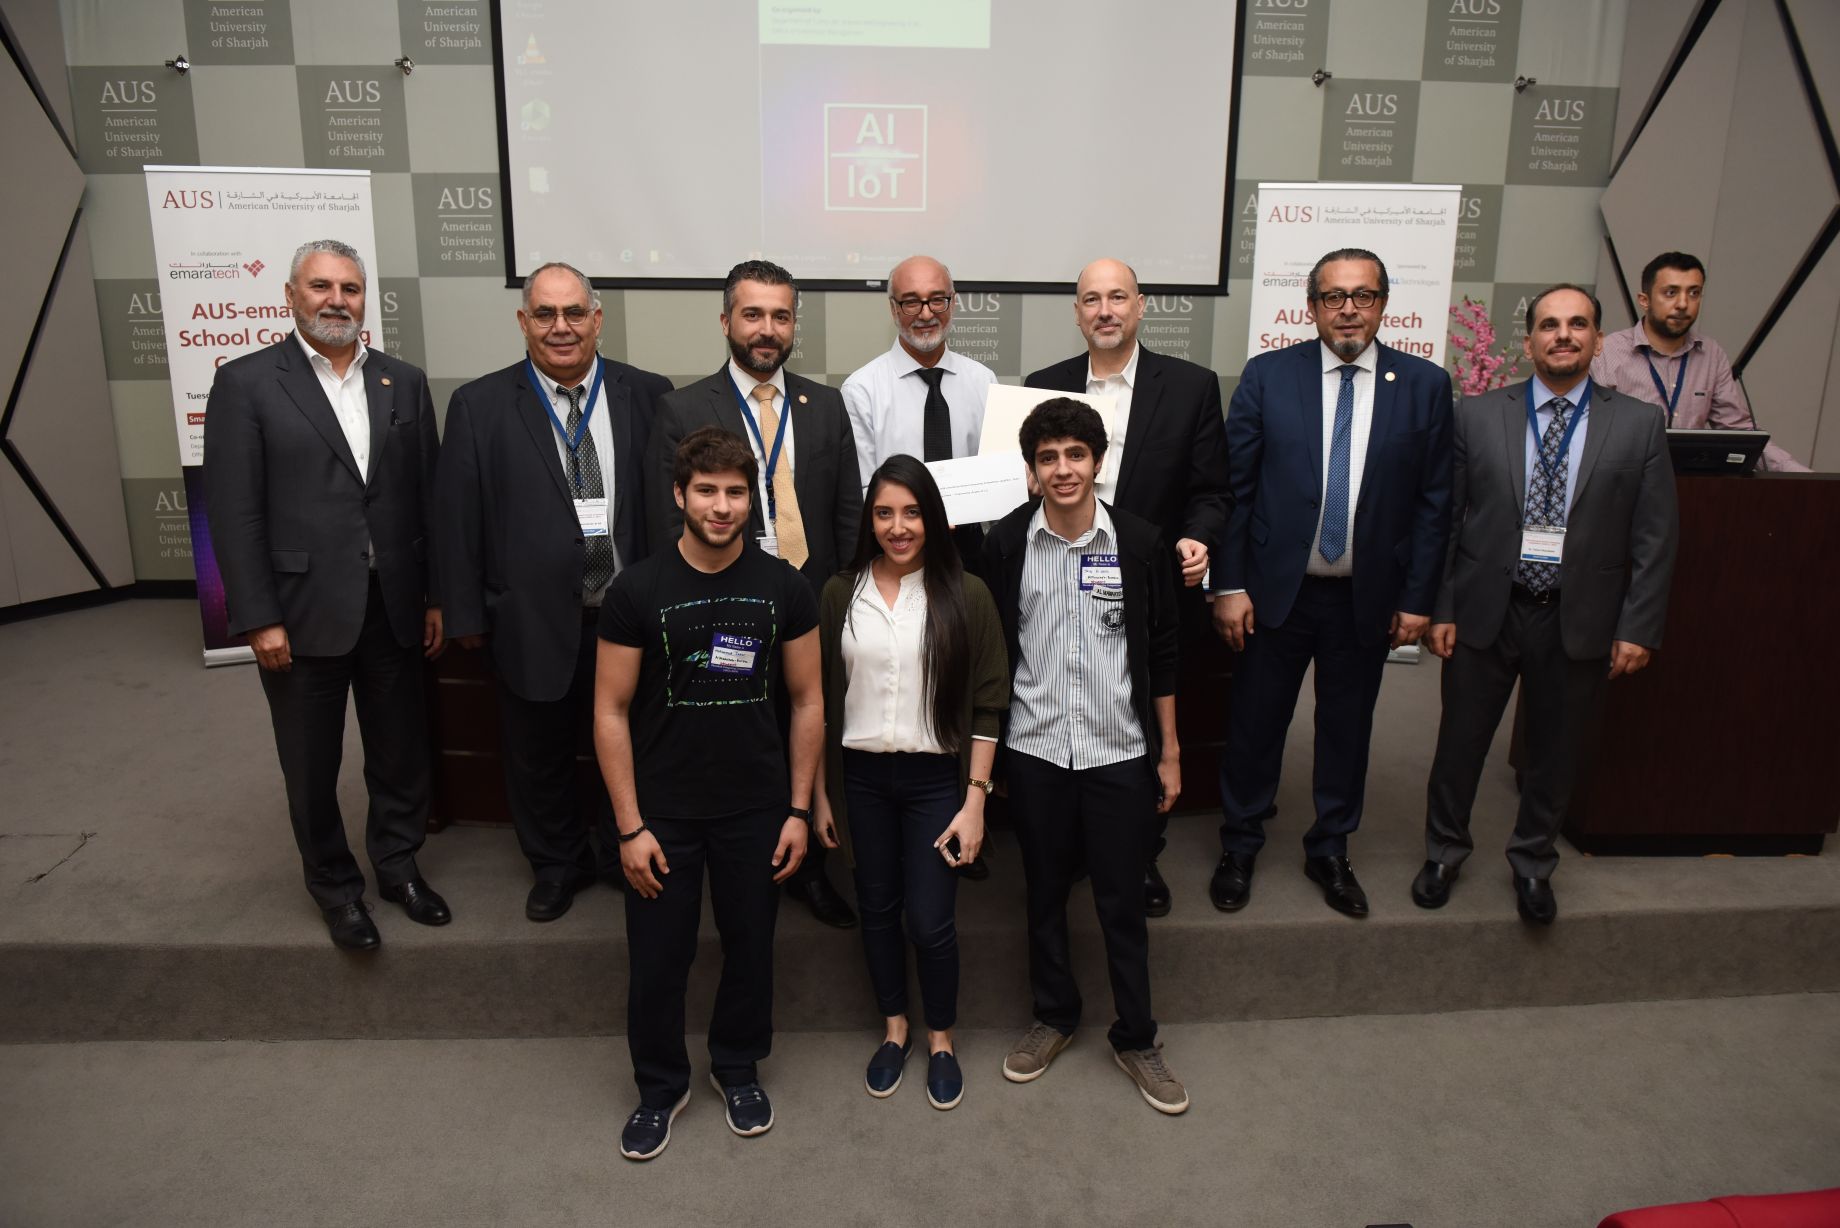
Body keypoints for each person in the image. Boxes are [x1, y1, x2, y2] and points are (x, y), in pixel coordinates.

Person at [203, 238, 447, 951]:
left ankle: (398, 866)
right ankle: (336, 889)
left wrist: (434, 596)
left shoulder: (403, 381)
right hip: (300, 611)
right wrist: (258, 616)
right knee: (311, 763)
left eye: (350, 288)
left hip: (393, 602)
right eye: (321, 287)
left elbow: (427, 500)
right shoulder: (246, 383)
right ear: (291, 296)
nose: (337, 300)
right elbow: (234, 512)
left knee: (400, 749)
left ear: (364, 298)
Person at [1415, 285, 1679, 924]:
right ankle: (1444, 852)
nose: (1564, 335)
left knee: (1557, 752)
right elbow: (1444, 520)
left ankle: (1533, 862)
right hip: (1487, 606)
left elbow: (1656, 536)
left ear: (1597, 339)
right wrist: (1441, 607)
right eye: (1550, 325)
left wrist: (1638, 626)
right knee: (1460, 743)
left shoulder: (1639, 423)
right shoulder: (1478, 414)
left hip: (1577, 613)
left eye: (1578, 324)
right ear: (1529, 340)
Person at [594, 426, 822, 1161]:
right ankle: (661, 1086)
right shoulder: (636, 590)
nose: (721, 507)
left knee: (751, 948)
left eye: (734, 492)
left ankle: (737, 1067)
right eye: (706, 491)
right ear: (679, 495)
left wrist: (798, 810)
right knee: (659, 958)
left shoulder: (785, 586)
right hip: (662, 813)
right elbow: (610, 711)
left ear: (751, 498)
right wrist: (629, 827)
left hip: (757, 808)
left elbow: (808, 701)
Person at [1210, 247, 1453, 919]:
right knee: (1256, 725)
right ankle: (1240, 844)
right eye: (1334, 297)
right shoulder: (1268, 376)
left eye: (1363, 295)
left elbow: (1435, 502)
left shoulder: (1425, 385)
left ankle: (1330, 848)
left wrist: (1418, 600)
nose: (1349, 309)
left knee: (1347, 729)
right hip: (1274, 593)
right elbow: (1235, 489)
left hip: (1364, 597)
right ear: (1312, 307)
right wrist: (1229, 584)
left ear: (1383, 304)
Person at [435, 261, 672, 922]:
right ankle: (556, 864)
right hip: (529, 615)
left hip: (628, 615)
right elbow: (458, 519)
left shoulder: (648, 394)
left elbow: (669, 505)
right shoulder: (479, 405)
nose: (560, 327)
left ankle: (620, 851)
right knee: (537, 750)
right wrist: (464, 614)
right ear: (524, 321)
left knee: (632, 742)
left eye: (574, 313)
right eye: (545, 314)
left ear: (597, 320)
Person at [983, 398, 1189, 1116]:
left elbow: (1164, 649)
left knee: (1120, 900)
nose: (1063, 469)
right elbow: (993, 652)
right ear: (1032, 470)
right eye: (1048, 457)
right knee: (1043, 892)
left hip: (1117, 751)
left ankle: (1136, 1037)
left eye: (1076, 454)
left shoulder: (1140, 542)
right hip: (1035, 748)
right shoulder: (1007, 543)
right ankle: (1054, 1016)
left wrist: (1169, 751)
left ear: (1098, 462)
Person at [645, 258, 863, 928]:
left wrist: (842, 596)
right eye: (752, 315)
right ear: (725, 321)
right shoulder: (683, 408)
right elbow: (669, 522)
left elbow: (847, 512)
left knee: (808, 723)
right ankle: (738, 864)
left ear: (793, 324)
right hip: (723, 607)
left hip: (808, 603)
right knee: (741, 734)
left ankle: (811, 867)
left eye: (780, 316)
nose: (767, 329)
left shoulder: (826, 405)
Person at [1024, 257, 1231, 915]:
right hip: (1059, 589)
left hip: (1149, 592)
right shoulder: (1042, 386)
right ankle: (1072, 848)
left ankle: (1140, 854)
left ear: (1141, 306)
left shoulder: (1191, 387)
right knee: (1066, 713)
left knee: (1138, 721)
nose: (1105, 310)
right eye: (1092, 299)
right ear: (1077, 312)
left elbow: (1212, 490)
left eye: (1118, 297)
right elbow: (1023, 492)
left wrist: (1198, 536)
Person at [812, 455, 1008, 1110]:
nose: (899, 527)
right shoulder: (840, 593)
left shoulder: (967, 594)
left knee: (929, 920)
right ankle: (895, 1029)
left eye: (913, 512)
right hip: (860, 778)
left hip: (935, 781)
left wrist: (976, 802)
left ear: (934, 518)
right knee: (876, 908)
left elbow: (988, 705)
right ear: (869, 520)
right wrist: (818, 794)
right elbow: (820, 702)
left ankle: (941, 1039)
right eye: (885, 513)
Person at [841, 254, 997, 567]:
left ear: (953, 302)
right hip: (894, 549)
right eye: (911, 302)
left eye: (937, 300)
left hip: (969, 553)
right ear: (893, 308)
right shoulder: (861, 390)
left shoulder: (983, 381)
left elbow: (996, 478)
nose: (926, 314)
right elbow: (862, 489)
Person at [1592, 252, 1809, 472]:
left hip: (1692, 484)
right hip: (1625, 481)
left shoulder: (1711, 354)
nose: (1683, 304)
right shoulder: (1608, 352)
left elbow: (1739, 431)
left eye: (1693, 293)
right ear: (1644, 300)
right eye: (1671, 293)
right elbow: (1590, 432)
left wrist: (1802, 476)